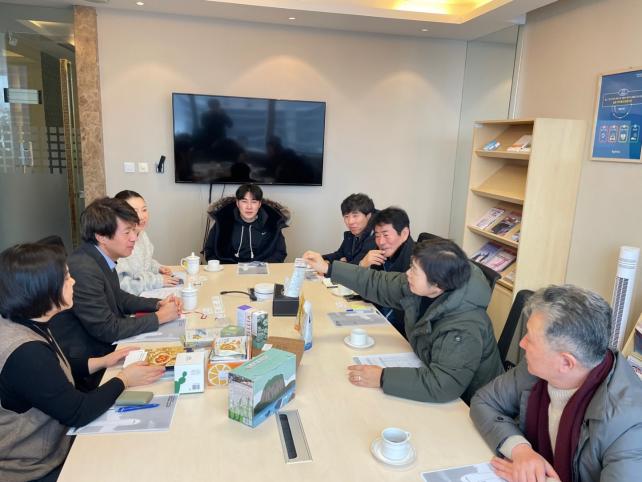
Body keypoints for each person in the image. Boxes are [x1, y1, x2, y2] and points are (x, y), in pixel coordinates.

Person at [0, 243, 165, 482]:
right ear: (43, 288)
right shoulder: (26, 353)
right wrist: (124, 379)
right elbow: (78, 412)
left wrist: (102, 361)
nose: (73, 282)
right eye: (66, 278)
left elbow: (53, 369)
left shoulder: (25, 322)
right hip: (32, 467)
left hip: (52, 445)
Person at [470, 285, 642, 482]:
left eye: (531, 339)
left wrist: (540, 479)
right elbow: (484, 402)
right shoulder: (537, 368)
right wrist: (520, 449)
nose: (522, 343)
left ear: (566, 363)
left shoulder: (629, 423)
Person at [304, 238, 504, 404]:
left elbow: (442, 385)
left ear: (438, 284)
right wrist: (329, 268)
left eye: (414, 270)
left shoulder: (465, 325)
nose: (407, 273)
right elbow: (378, 283)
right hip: (429, 371)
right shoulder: (425, 285)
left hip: (471, 405)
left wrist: (382, 377)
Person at [50, 198, 181, 388]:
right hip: (90, 365)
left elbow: (118, 296)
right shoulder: (83, 269)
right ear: (101, 237)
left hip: (105, 348)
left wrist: (156, 304)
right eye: (127, 232)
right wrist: (159, 317)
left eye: (134, 231)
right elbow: (107, 329)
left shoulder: (99, 256)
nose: (134, 238)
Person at [113, 190, 179, 295]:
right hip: (130, 300)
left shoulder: (142, 234)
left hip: (146, 293)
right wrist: (157, 281)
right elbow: (123, 286)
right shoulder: (116, 243)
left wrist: (158, 268)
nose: (142, 216)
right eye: (134, 211)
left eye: (144, 210)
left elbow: (144, 263)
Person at [203, 184, 289, 264]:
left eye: (254, 202)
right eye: (244, 201)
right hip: (228, 270)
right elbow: (209, 250)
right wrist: (219, 267)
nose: (249, 207)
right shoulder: (223, 222)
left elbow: (280, 252)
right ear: (237, 203)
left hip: (261, 271)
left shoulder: (272, 223)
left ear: (259, 204)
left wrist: (262, 268)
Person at [321, 193, 377, 266]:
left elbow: (355, 266)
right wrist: (320, 258)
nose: (350, 222)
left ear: (368, 215)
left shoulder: (377, 235)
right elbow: (340, 254)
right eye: (346, 216)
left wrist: (330, 265)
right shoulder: (353, 233)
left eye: (355, 216)